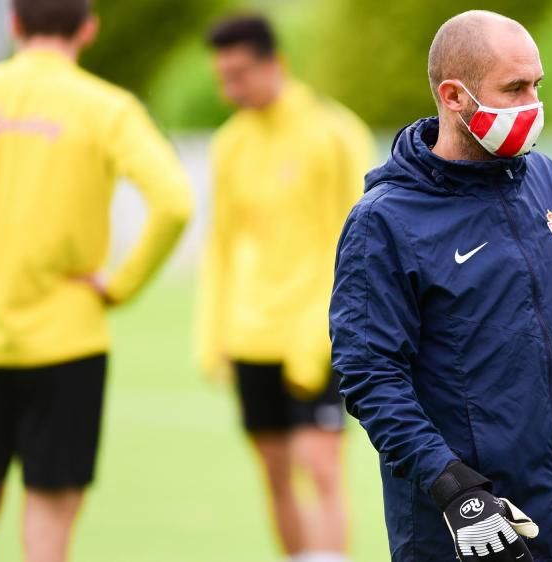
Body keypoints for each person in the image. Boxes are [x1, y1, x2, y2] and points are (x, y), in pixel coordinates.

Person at [331, 10, 552, 562]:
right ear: (454, 96)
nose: (532, 103)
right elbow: (370, 376)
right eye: (514, 88)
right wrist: (456, 493)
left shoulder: (549, 181)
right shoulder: (384, 221)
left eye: (537, 85)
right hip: (467, 533)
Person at [0, 0, 193, 560]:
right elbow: (175, 202)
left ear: (13, 23)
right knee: (47, 540)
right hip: (69, 340)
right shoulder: (106, 108)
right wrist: (119, 285)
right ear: (87, 29)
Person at [199, 15, 373, 562]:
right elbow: (222, 244)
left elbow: (363, 239)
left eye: (240, 74)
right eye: (222, 76)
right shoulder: (230, 144)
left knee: (320, 467)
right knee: (274, 475)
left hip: (318, 333)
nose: (231, 88)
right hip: (253, 335)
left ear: (276, 64)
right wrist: (214, 331)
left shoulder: (333, 133)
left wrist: (331, 329)